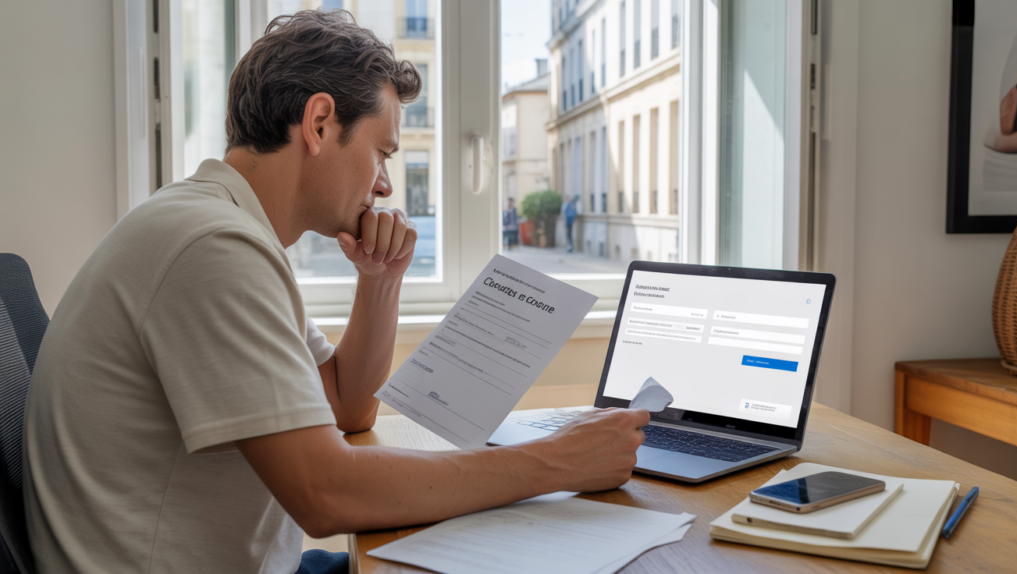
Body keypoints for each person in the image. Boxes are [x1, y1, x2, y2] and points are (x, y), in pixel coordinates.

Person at [22, 10, 649, 574]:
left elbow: (348, 406)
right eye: (381, 153)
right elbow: (326, 494)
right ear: (320, 123)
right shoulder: (210, 247)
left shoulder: (225, 228)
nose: (383, 187)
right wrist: (556, 464)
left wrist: (380, 281)